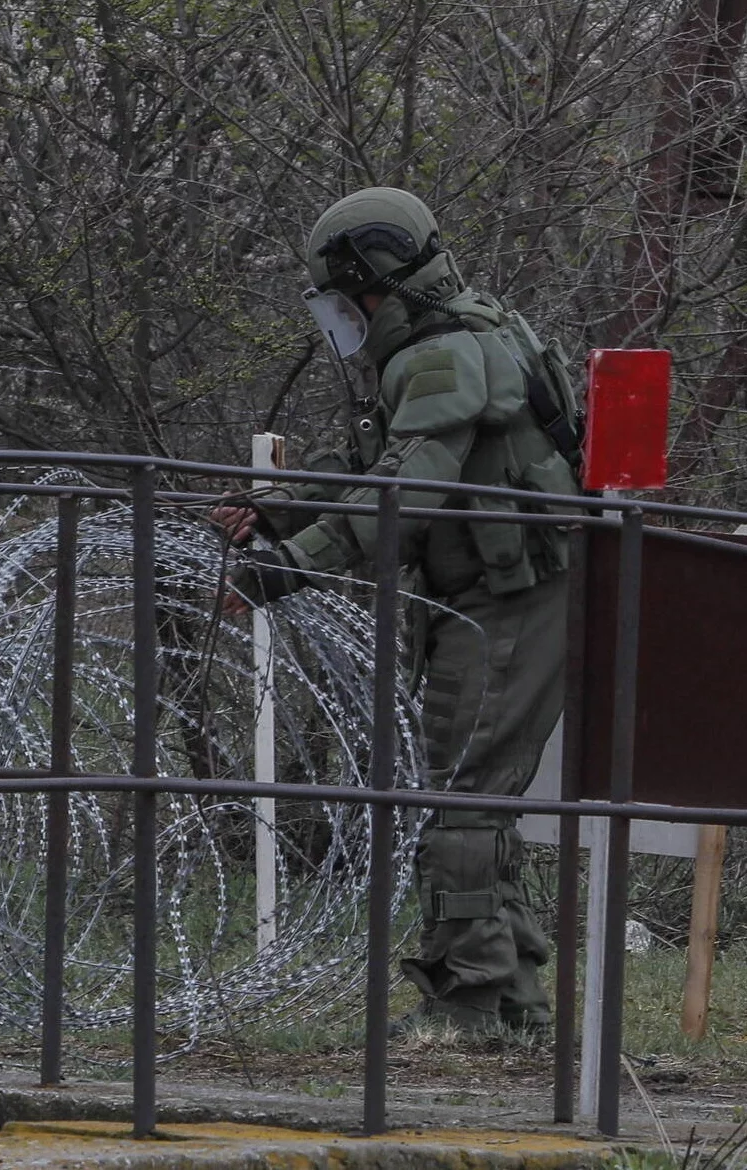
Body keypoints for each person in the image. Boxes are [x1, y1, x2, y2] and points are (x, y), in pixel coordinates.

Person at [214, 187, 583, 1034]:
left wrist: (286, 569)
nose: (344, 319)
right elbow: (377, 460)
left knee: (461, 800)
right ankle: (513, 999)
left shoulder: (445, 356)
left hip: (510, 599)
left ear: (375, 282)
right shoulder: (459, 337)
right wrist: (279, 507)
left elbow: (406, 491)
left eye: (347, 300)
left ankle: (469, 1005)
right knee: (475, 799)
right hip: (493, 597)